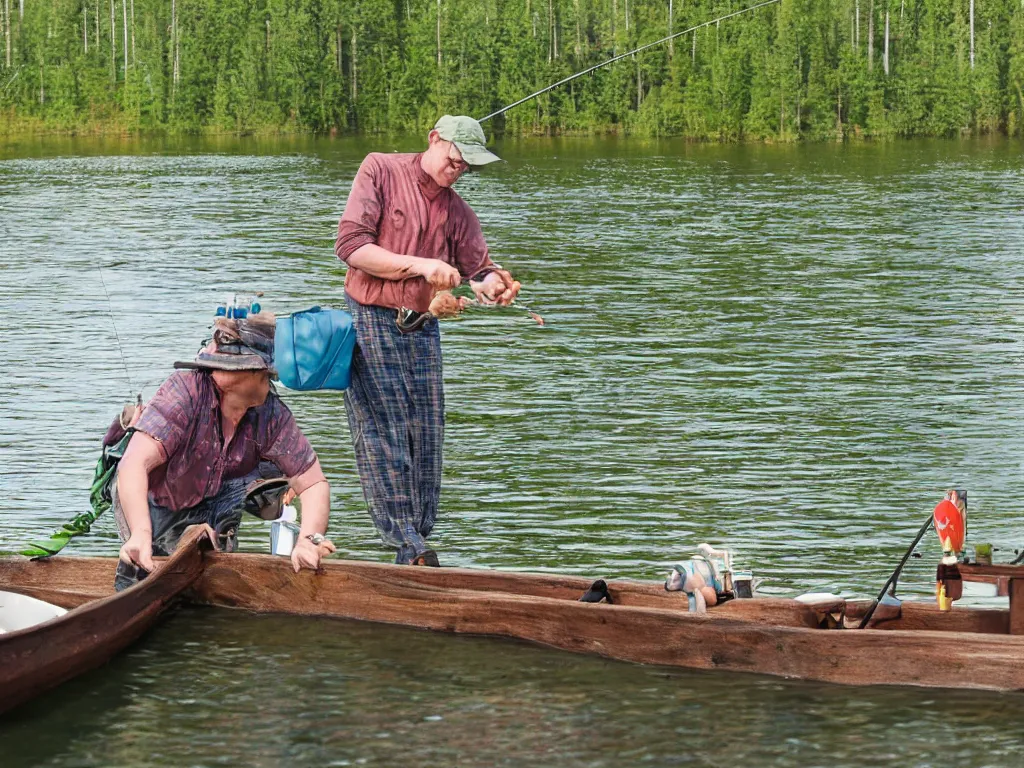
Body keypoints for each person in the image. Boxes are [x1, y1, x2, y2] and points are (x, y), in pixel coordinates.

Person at [334, 114, 520, 566]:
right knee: (383, 433)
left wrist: (494, 283)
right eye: (453, 159)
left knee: (426, 436)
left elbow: (479, 269)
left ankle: (417, 543)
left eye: (465, 167)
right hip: (371, 319)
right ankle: (408, 544)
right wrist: (420, 265)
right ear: (434, 139)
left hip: (423, 328)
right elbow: (351, 247)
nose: (456, 170)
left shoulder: (458, 212)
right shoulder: (379, 169)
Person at [111, 311, 333, 590]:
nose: (271, 376)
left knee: (213, 576)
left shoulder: (271, 413)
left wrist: (308, 540)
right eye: (263, 371)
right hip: (158, 498)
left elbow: (313, 483)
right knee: (150, 570)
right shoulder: (184, 393)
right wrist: (140, 534)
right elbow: (132, 465)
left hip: (219, 496)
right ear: (230, 374)